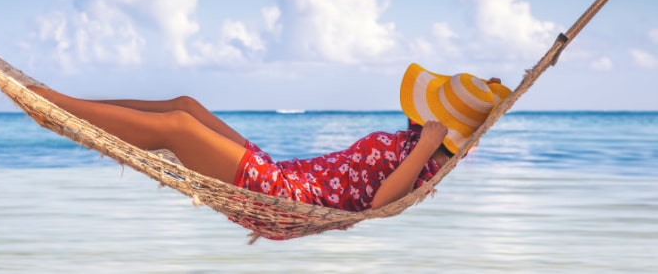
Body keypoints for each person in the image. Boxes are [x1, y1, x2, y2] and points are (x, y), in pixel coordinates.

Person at [29, 63, 510, 211]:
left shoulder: (426, 163)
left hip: (279, 196)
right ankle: (73, 103)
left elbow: (382, 201)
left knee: (177, 129)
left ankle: (55, 105)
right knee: (187, 105)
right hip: (279, 172)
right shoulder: (415, 144)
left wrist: (430, 146)